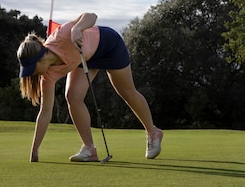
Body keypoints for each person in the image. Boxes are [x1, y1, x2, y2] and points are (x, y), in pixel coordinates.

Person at [17, 12, 163, 162]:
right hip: (85, 57)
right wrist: (34, 150)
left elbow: (91, 16)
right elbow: (45, 113)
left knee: (127, 92)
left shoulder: (63, 35)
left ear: (41, 59)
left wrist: (77, 29)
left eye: (32, 68)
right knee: (73, 96)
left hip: (109, 45)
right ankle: (89, 148)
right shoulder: (47, 76)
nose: (32, 74)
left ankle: (153, 132)